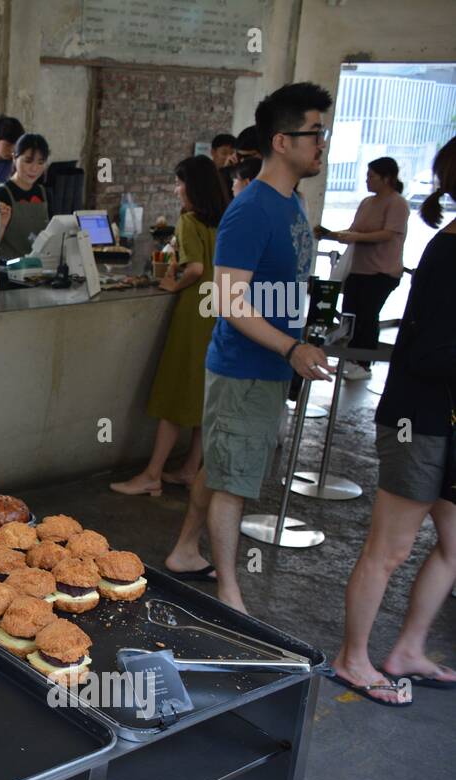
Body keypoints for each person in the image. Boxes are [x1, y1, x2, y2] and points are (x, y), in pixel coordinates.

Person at [163, 83, 334, 611]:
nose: (322, 143)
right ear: (282, 141)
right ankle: (230, 591)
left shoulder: (293, 203)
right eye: (314, 133)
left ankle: (185, 551)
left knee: (220, 467)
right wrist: (290, 349)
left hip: (269, 365)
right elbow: (231, 301)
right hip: (245, 368)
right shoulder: (251, 210)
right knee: (233, 483)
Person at [329, 137, 456, 705]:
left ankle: (408, 649)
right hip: (419, 419)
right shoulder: (449, 254)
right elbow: (428, 354)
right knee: (391, 548)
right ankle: (352, 659)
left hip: (445, 422)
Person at [111, 156, 230, 496]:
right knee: (202, 395)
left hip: (193, 314)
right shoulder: (225, 221)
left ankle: (152, 474)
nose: (177, 190)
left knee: (175, 395)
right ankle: (192, 469)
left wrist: (171, 286)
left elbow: (193, 269)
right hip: (218, 311)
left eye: (179, 183)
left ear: (192, 187)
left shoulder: (190, 221)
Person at [315, 156, 409, 380]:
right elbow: (353, 230)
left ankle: (364, 363)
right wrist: (332, 235)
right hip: (359, 269)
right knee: (351, 315)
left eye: (371, 176)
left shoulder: (397, 203)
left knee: (368, 316)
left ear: (387, 179)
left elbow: (388, 234)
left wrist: (356, 236)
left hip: (382, 271)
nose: (367, 180)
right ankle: (349, 357)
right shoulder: (367, 202)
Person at [0, 133, 50, 261]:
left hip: (39, 269)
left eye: (40, 162)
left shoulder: (44, 193)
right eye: (28, 161)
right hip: (9, 271)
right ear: (14, 158)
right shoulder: (1, 194)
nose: (34, 168)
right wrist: (1, 225)